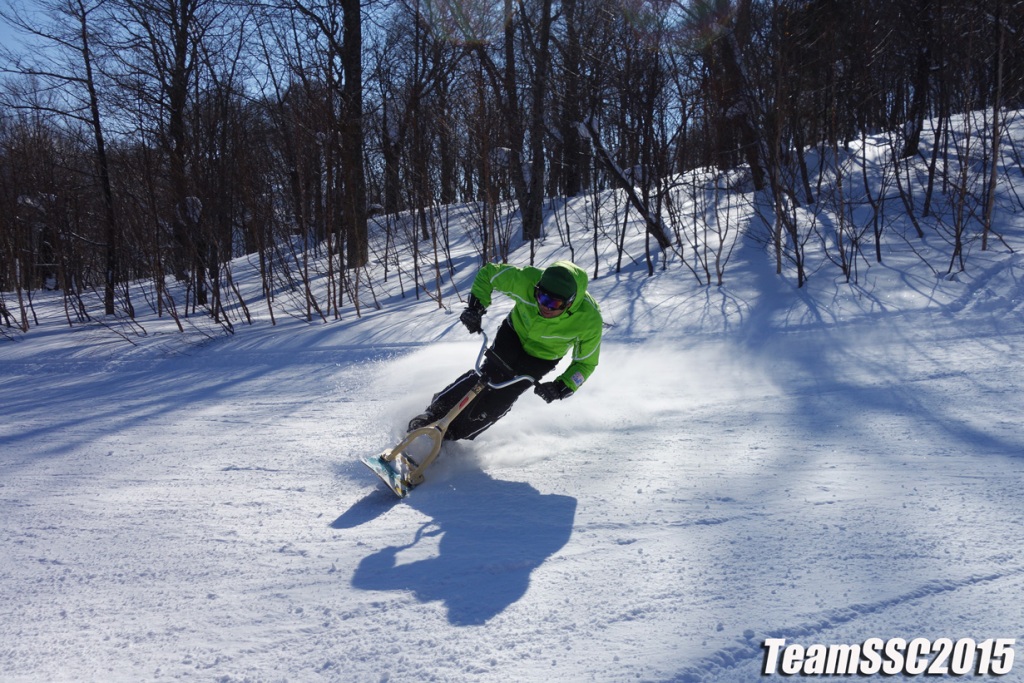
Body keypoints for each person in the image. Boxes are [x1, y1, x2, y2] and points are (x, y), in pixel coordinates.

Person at [407, 259, 603, 441]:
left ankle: (452, 435)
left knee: (505, 394)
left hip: (543, 357)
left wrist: (562, 387)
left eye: (555, 303)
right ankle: (433, 414)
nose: (545, 306)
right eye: (541, 296)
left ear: (570, 302)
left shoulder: (589, 319)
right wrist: (475, 308)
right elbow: (489, 274)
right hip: (513, 334)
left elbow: (585, 363)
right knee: (487, 376)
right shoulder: (527, 279)